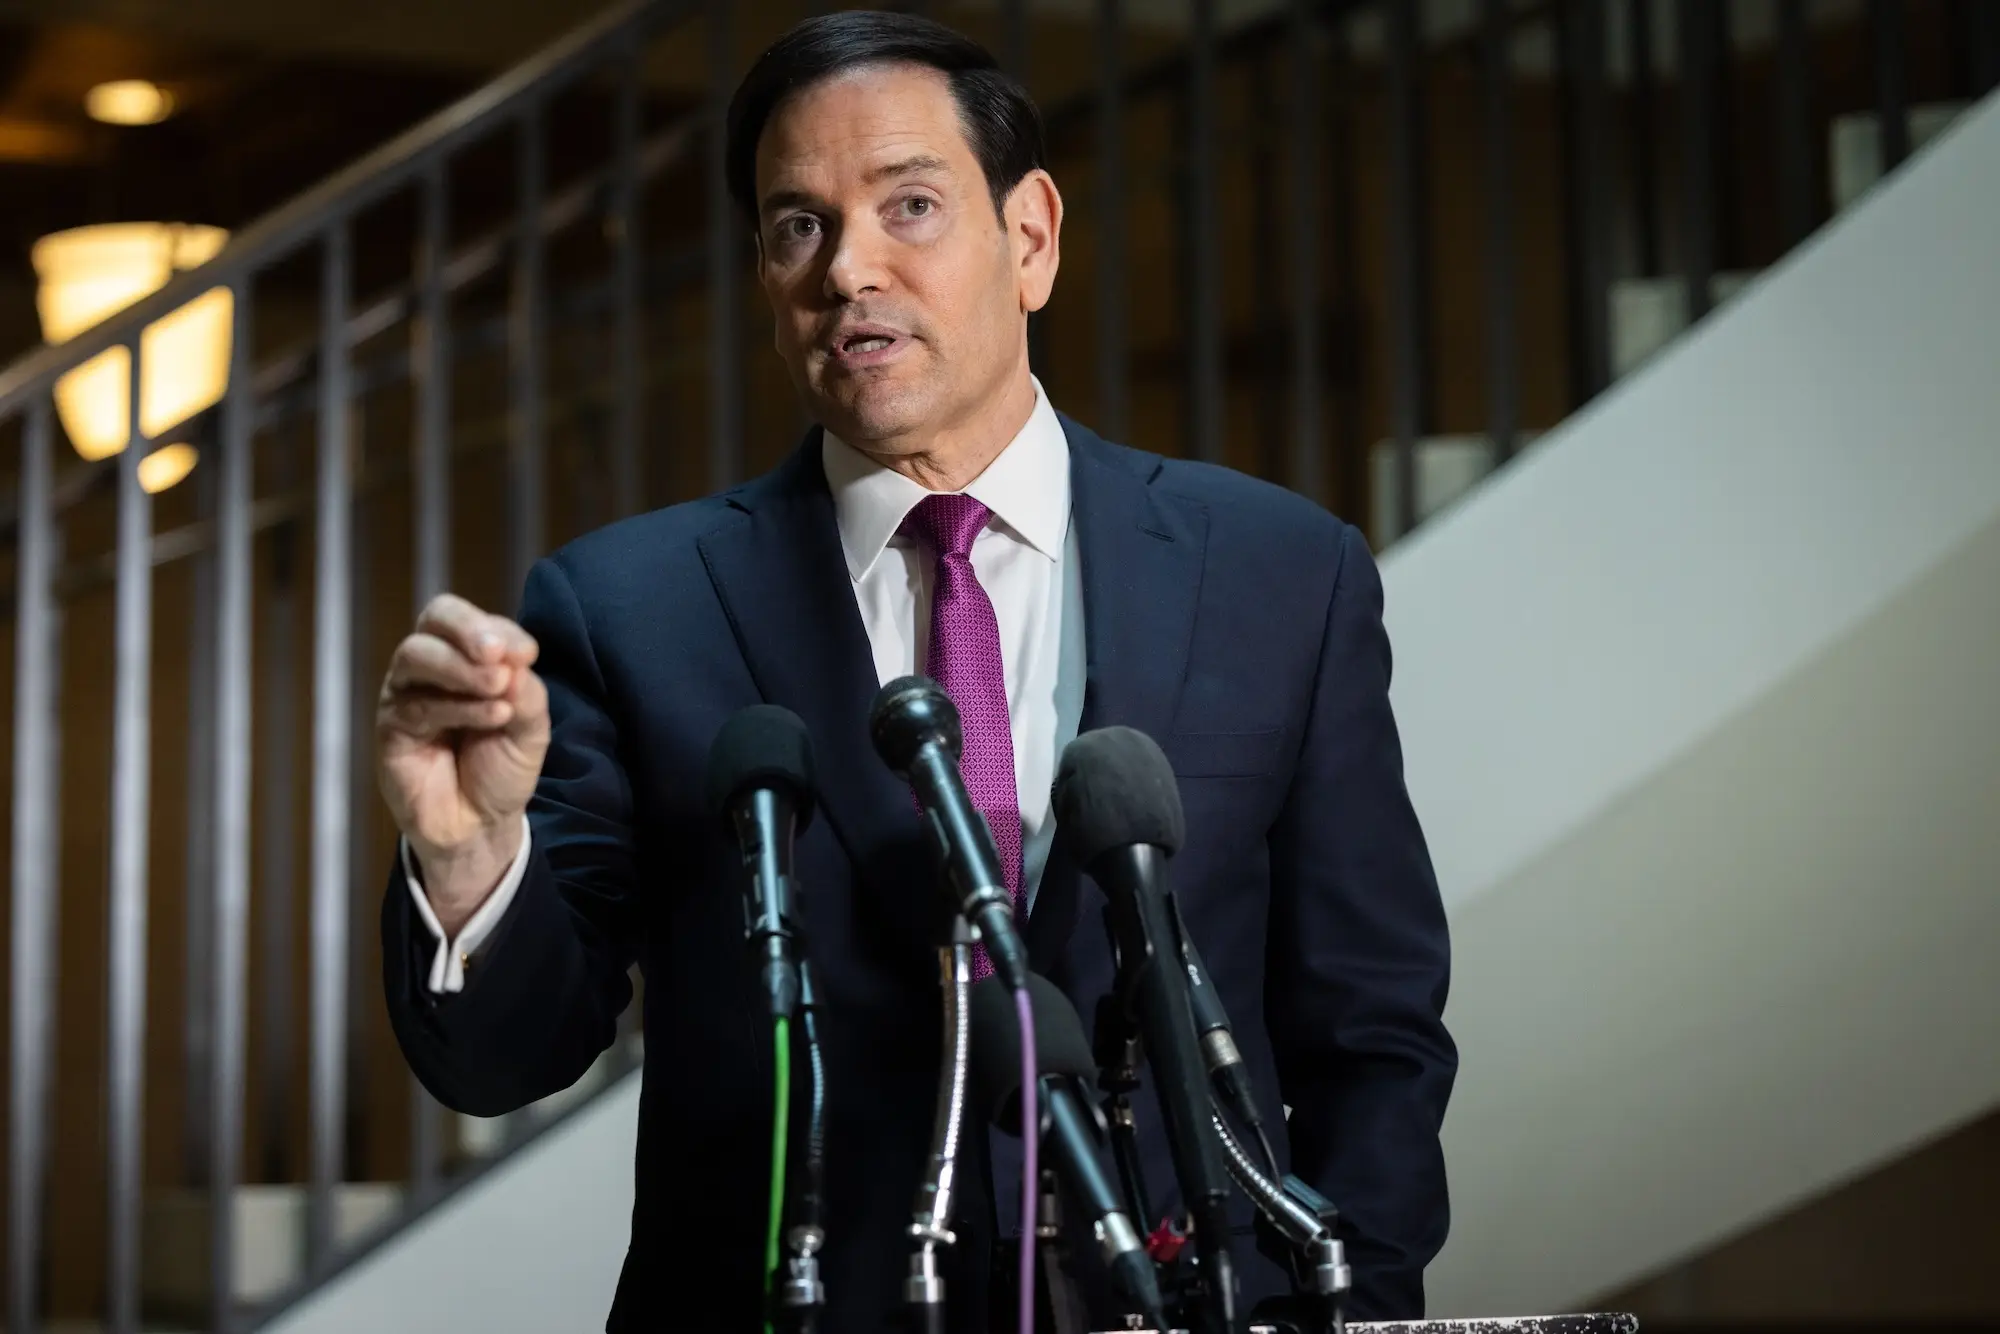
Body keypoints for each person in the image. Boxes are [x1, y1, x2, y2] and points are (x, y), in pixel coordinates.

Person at [376, 11, 1455, 1332]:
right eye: (797, 227)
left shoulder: (1280, 574)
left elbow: (1373, 1032)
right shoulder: (625, 608)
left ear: (1032, 236)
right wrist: (472, 857)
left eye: (912, 205)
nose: (849, 270)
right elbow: (507, 1056)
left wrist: (1354, 1307)